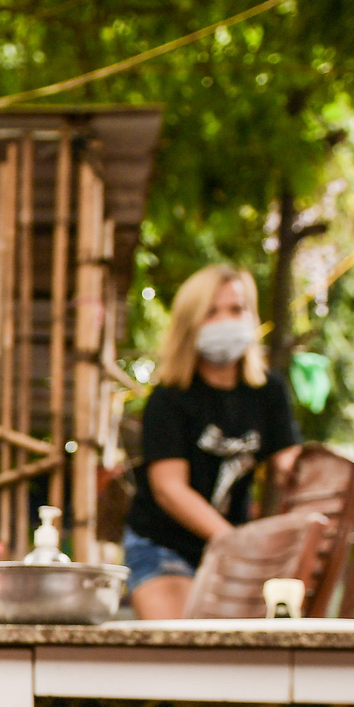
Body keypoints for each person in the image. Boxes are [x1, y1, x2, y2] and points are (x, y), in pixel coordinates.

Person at [121, 263, 302, 618]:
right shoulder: (169, 398)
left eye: (236, 309)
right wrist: (235, 542)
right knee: (182, 650)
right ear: (190, 324)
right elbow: (169, 489)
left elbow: (290, 468)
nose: (226, 321)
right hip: (165, 547)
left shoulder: (269, 392)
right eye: (211, 312)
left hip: (234, 555)